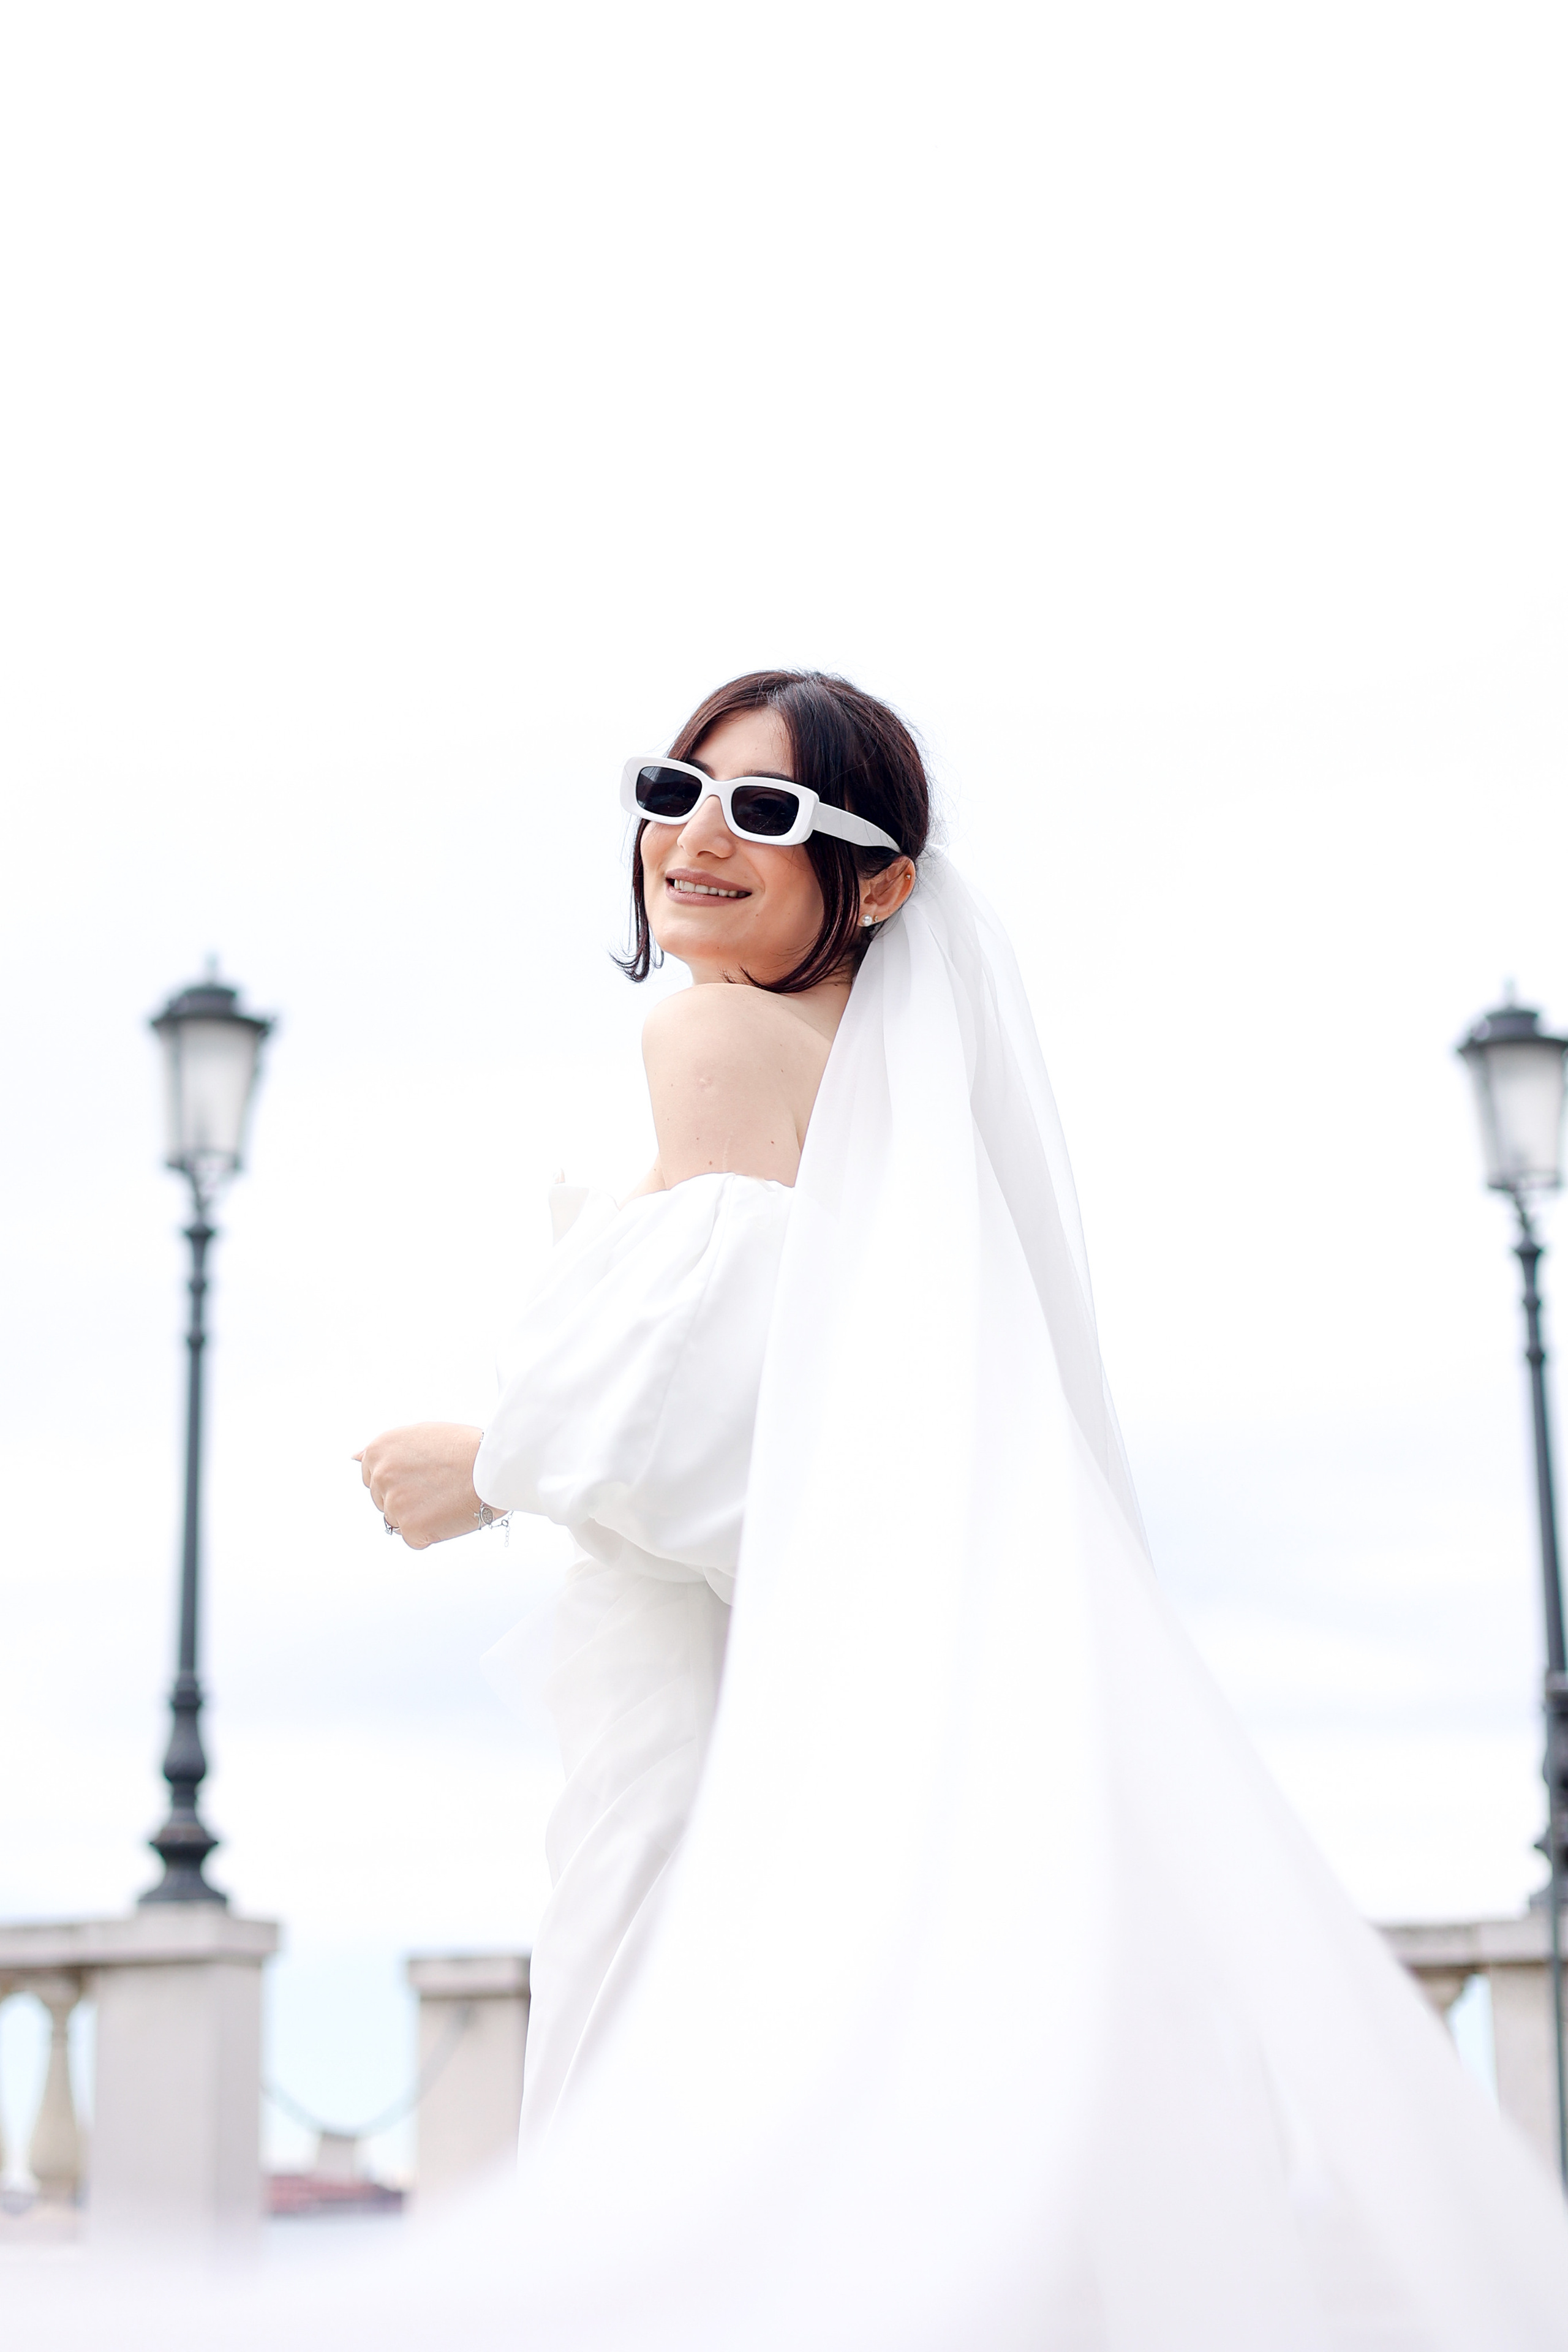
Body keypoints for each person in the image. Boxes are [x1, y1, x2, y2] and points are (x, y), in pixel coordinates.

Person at [345, 670, 1568, 2350]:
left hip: (711, 1720)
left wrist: (487, 1465)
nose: (696, 839)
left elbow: (733, 1422)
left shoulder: (707, 1036)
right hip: (843, 1707)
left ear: (879, 882)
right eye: (674, 791)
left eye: (766, 812)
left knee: (655, 2165)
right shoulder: (887, 1101)